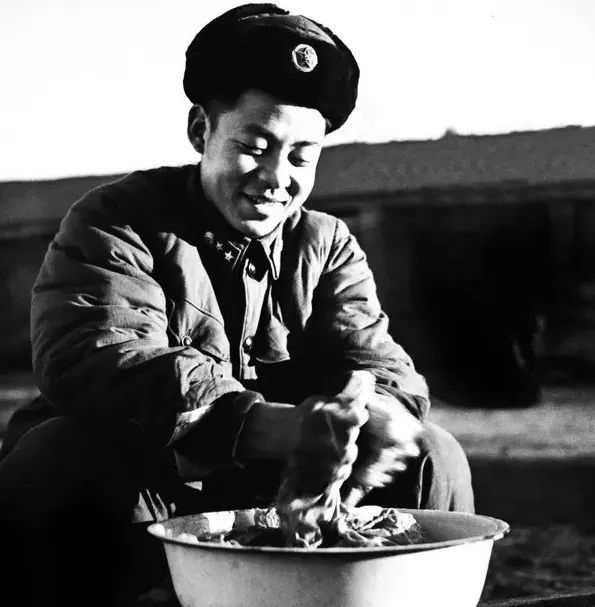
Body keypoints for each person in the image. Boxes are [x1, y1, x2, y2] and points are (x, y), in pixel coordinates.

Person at [0, 4, 474, 605]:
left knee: (433, 453)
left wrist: (370, 418)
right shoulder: (116, 220)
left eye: (301, 156)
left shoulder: (327, 244)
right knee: (56, 454)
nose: (276, 178)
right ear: (201, 131)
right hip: (154, 489)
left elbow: (376, 361)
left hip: (284, 496)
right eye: (255, 146)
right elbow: (94, 355)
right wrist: (267, 427)